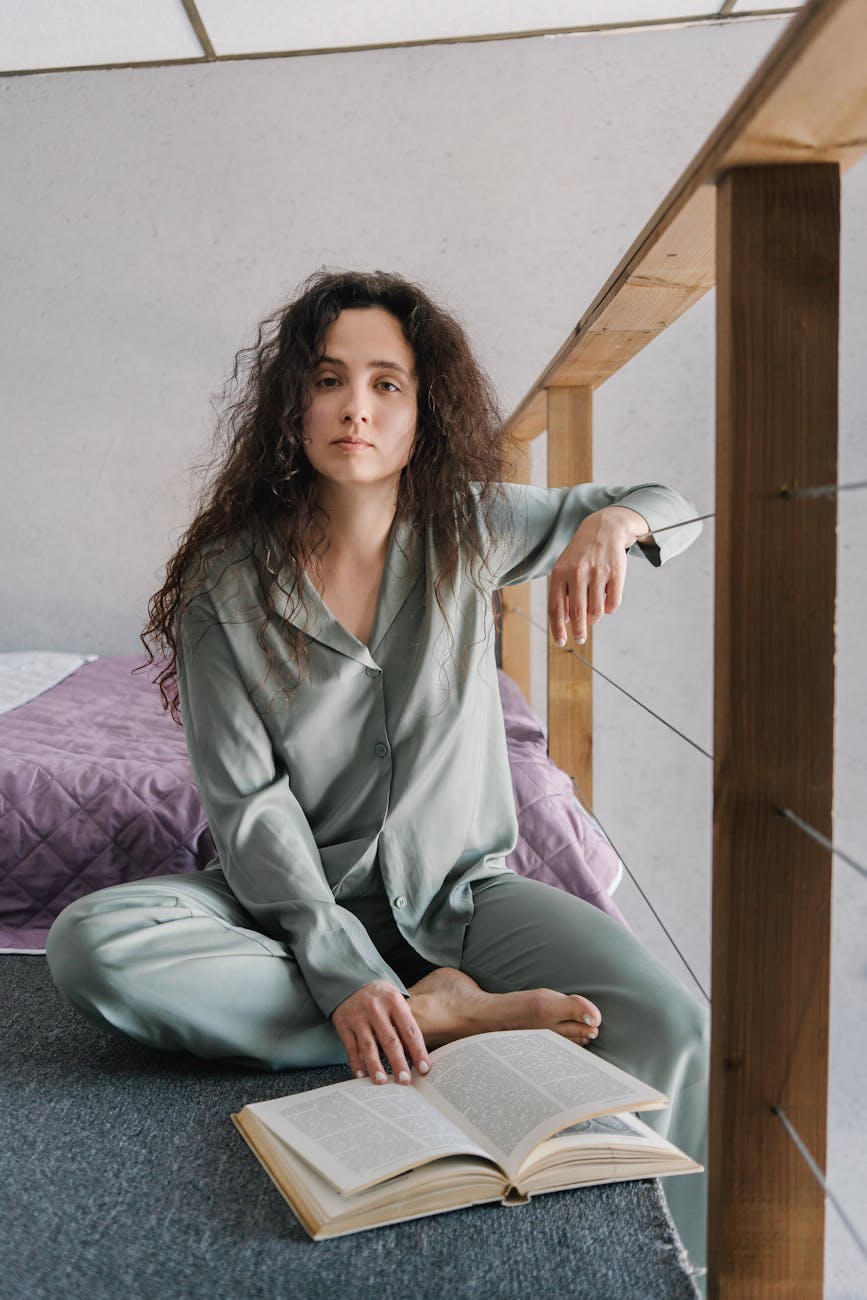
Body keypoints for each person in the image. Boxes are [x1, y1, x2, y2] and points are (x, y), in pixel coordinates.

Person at [46, 268, 708, 1273]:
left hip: (469, 897)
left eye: (387, 383)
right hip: (291, 904)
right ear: (292, 403)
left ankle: (688, 1276)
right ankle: (437, 1019)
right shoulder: (228, 581)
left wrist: (614, 526)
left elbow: (668, 505)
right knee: (93, 944)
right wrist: (338, 958)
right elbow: (249, 804)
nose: (355, 405)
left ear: (421, 409)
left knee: (671, 1022)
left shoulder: (469, 531)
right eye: (328, 377)